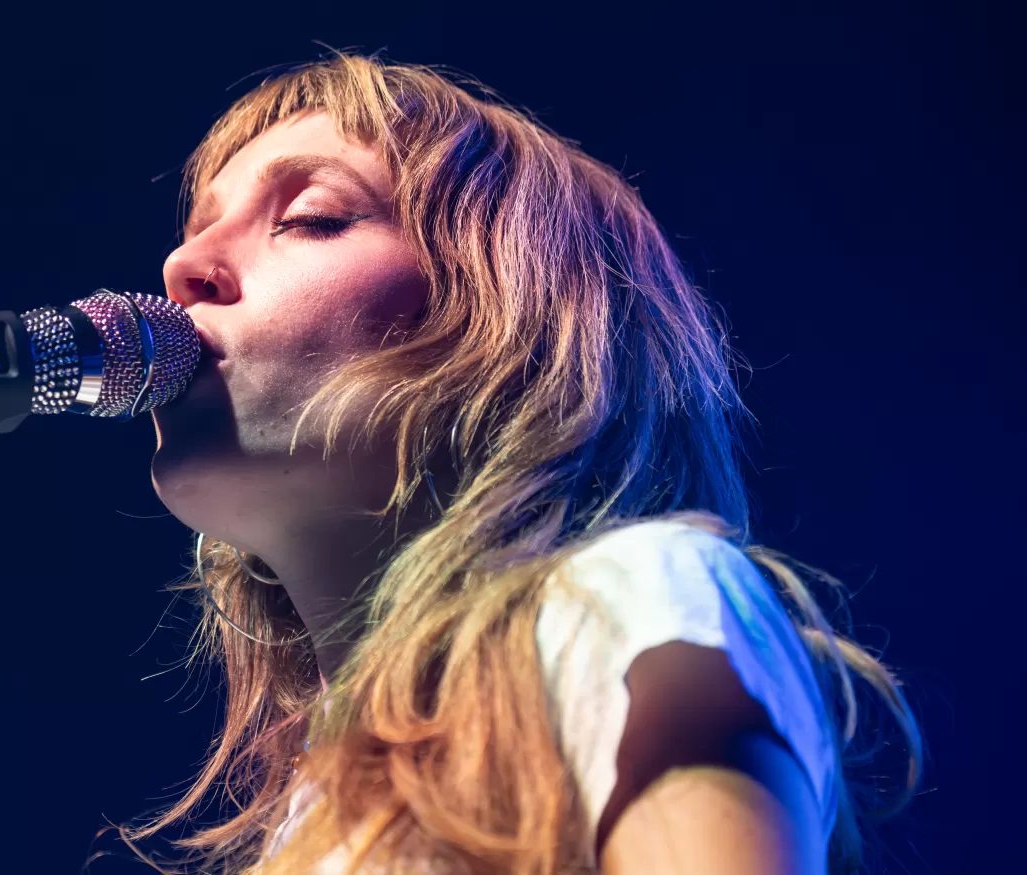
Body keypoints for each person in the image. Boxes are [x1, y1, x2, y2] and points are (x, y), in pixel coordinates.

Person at [126, 53, 922, 874]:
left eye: (313, 217)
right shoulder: (310, 812)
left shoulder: (631, 595)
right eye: (197, 227)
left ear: (505, 334)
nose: (182, 267)